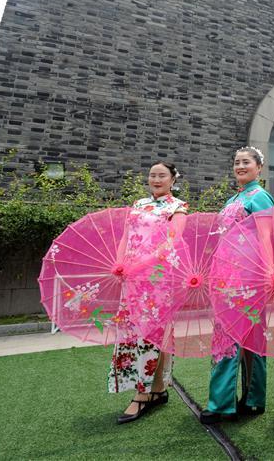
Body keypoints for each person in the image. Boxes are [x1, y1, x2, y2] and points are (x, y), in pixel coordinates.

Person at [200, 147, 274, 424]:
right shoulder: (235, 198)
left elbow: (267, 236)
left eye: (246, 162)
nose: (240, 166)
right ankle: (239, 400)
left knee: (245, 338)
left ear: (259, 168)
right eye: (237, 162)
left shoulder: (260, 197)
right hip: (227, 276)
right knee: (227, 336)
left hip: (249, 276)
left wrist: (267, 270)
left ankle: (237, 402)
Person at [110, 161, 188, 424]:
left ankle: (144, 394)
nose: (156, 179)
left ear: (172, 180)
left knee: (154, 333)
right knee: (132, 332)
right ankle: (157, 390)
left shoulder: (177, 207)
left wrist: (141, 264)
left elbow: (171, 243)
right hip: (131, 277)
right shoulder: (138, 205)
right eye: (153, 175)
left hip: (158, 279)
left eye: (162, 175)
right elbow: (126, 237)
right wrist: (120, 263)